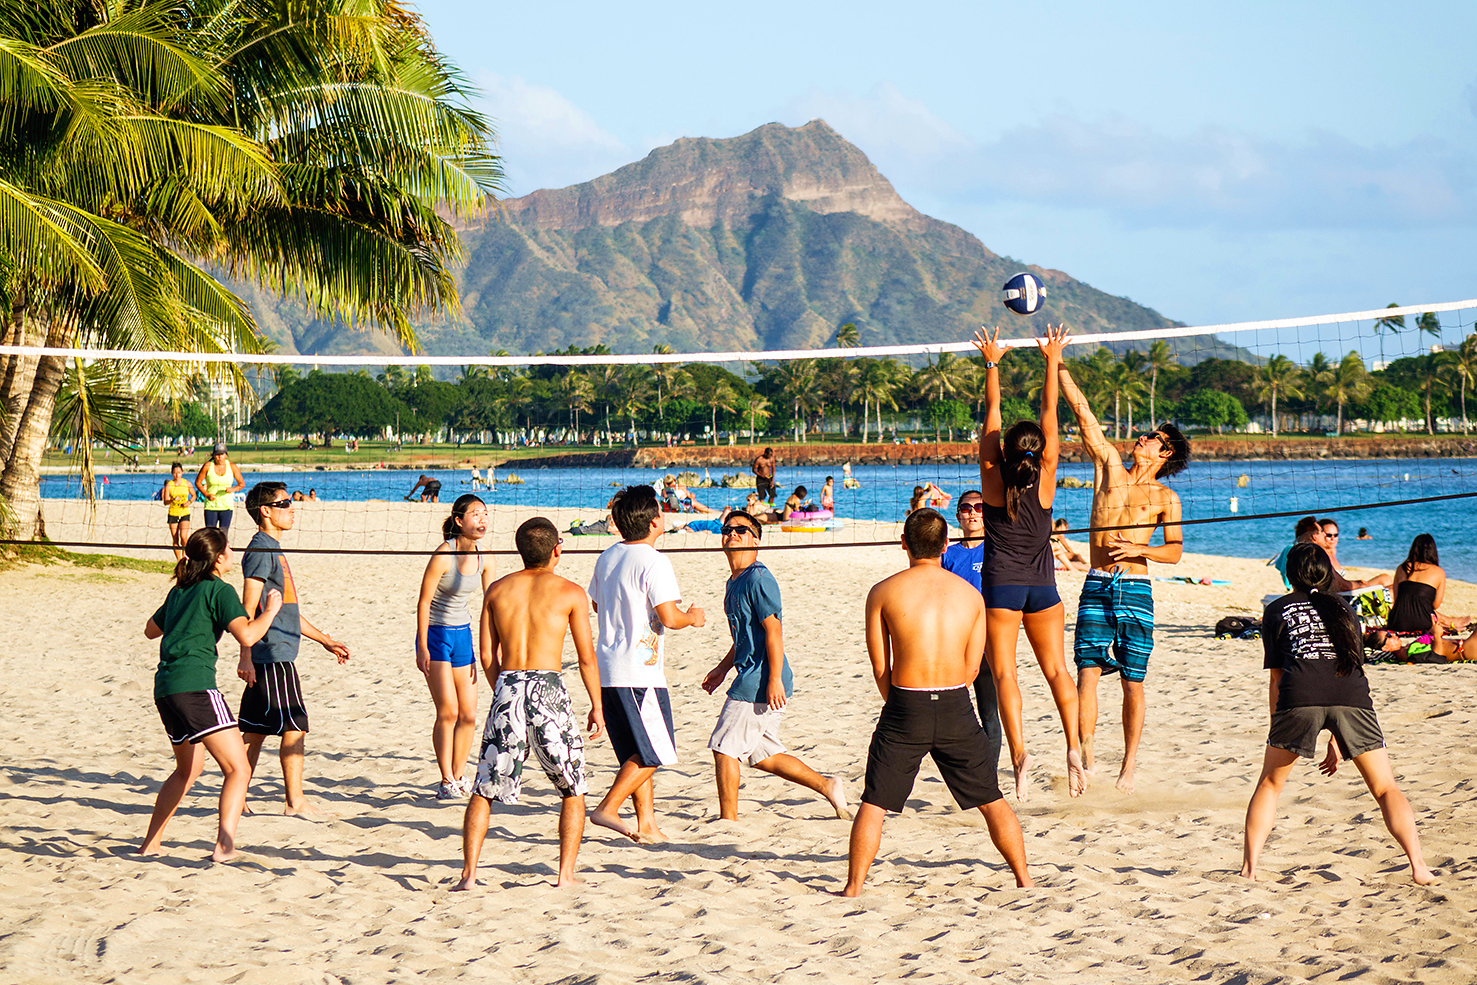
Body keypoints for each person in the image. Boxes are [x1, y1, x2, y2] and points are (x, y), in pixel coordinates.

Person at [841, 509, 1031, 896]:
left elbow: (881, 666)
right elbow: (973, 667)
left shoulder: (883, 591)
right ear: (946, 545)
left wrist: (899, 703)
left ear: (904, 544)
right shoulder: (972, 596)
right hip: (955, 703)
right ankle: (1024, 879)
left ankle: (853, 888)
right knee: (991, 799)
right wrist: (948, 695)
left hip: (904, 705)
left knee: (874, 803)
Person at [1241, 543, 1436, 885]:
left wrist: (1278, 723)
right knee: (1386, 787)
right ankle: (1419, 866)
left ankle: (1250, 868)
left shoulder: (1276, 609)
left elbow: (1276, 678)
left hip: (1299, 693)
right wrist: (1338, 736)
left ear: (1289, 574)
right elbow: (1350, 667)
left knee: (1270, 784)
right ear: (1329, 574)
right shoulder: (1345, 609)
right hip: (1351, 696)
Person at [1058, 351, 1189, 796]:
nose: (1142, 438)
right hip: (1097, 581)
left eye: (1152, 437)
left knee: (1134, 681)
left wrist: (1138, 547)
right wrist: (1057, 363)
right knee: (1087, 672)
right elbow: (1084, 414)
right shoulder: (1109, 468)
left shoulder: (1165, 497)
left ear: (1164, 451)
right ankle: (1087, 758)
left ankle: (1128, 768)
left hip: (1135, 587)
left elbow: (1174, 553)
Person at [455, 517, 603, 890]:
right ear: (557, 550)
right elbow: (586, 657)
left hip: (509, 683)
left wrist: (504, 689)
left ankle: (469, 875)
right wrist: (597, 705)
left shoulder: (498, 590)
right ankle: (564, 875)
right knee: (573, 785)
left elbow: (487, 654)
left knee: (484, 785)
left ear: (520, 551)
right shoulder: (570, 592)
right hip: (547, 685)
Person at [974, 324, 1085, 802]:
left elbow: (992, 416)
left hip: (1001, 587)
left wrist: (992, 363)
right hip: (1044, 588)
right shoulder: (1047, 476)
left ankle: (1019, 757)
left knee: (1005, 676)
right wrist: (1051, 359)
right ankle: (1074, 747)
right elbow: (1050, 412)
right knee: (1058, 671)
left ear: (1004, 452)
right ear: (1038, 451)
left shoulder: (992, 478)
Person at [138, 527, 282, 862]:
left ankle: (151, 844)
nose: (233, 552)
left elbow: (149, 630)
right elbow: (246, 635)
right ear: (219, 557)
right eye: (229, 548)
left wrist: (185, 622)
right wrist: (270, 611)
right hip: (195, 686)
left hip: (166, 688)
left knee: (187, 770)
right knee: (239, 768)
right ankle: (224, 846)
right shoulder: (219, 589)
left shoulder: (181, 590)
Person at [700, 510, 850, 820]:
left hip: (761, 677)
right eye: (727, 529)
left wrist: (774, 679)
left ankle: (727, 822)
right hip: (750, 671)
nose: (732, 533)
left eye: (741, 530)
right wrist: (722, 668)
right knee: (763, 754)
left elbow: (774, 631)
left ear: (755, 540)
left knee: (724, 747)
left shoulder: (758, 577)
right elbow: (744, 637)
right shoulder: (733, 582)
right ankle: (827, 786)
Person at [586, 485, 705, 843]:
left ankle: (647, 824)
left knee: (635, 754)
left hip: (608, 668)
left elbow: (596, 605)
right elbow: (669, 617)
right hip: (639, 671)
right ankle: (607, 808)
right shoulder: (654, 560)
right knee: (655, 751)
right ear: (655, 522)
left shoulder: (607, 556)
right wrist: (693, 617)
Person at [236, 482, 351, 817]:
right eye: (283, 502)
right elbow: (246, 607)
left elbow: (287, 609)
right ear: (265, 511)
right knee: (295, 726)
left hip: (274, 650)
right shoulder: (261, 550)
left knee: (254, 732)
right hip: (272, 653)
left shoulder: (272, 549)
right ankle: (294, 802)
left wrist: (325, 640)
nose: (292, 507)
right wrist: (246, 654)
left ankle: (237, 798)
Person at [416, 494, 495, 799]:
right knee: (448, 711)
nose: (482, 520)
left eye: (485, 514)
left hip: (462, 634)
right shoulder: (443, 554)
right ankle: (446, 779)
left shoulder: (487, 556)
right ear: (459, 521)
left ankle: (460, 776)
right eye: (476, 514)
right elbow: (423, 602)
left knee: (469, 715)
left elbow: (491, 604)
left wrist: (492, 645)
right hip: (435, 634)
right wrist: (421, 645)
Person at [939, 490, 1002, 789]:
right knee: (955, 714)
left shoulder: (997, 548)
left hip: (989, 643)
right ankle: (965, 775)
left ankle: (988, 778)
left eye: (979, 507)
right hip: (956, 643)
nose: (973, 513)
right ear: (958, 515)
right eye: (966, 508)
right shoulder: (947, 554)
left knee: (990, 712)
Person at [1388, 533, 1477, 659]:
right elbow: (1435, 604)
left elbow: (1397, 599)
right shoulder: (1438, 572)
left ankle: (1451, 621)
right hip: (1422, 624)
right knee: (1428, 609)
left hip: (1397, 623)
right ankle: (1451, 622)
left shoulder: (1401, 568)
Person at [1319, 518, 1392, 589]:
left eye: (1335, 535)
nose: (1333, 538)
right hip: (1342, 596)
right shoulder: (1322, 556)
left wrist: (1356, 582)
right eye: (1329, 535)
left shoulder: (1331, 553)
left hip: (1345, 590)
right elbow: (1338, 585)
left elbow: (1340, 582)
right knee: (1390, 588)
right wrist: (1359, 586)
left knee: (1385, 578)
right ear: (1319, 535)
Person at [195, 443, 244, 532]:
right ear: (213, 455)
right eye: (217, 455)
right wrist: (207, 495)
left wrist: (233, 489)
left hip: (226, 506)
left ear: (226, 455)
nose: (219, 457)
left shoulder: (232, 466)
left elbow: (241, 484)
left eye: (222, 454)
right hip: (211, 506)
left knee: (223, 533)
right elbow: (198, 483)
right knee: (210, 533)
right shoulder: (208, 466)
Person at [161, 462, 195, 561]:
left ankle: (185, 557)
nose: (177, 475)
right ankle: (179, 560)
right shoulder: (169, 485)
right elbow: (165, 501)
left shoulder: (187, 483)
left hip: (184, 512)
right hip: (173, 513)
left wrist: (189, 502)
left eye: (179, 472)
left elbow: (194, 496)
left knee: (184, 537)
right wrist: (172, 500)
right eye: (175, 473)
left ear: (182, 473)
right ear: (172, 473)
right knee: (175, 538)